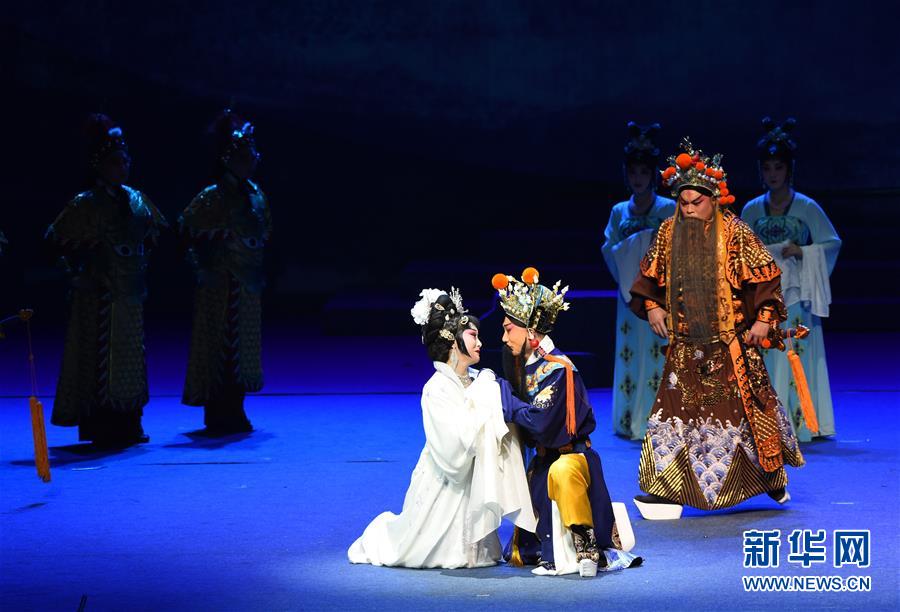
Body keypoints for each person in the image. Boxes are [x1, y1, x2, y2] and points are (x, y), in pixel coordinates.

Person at [629, 139, 804, 520]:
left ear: (714, 200)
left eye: (697, 202)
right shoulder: (668, 232)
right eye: (683, 203)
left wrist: (763, 319)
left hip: (730, 344)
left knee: (745, 416)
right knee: (672, 417)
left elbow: (766, 278)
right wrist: (653, 305)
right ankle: (666, 490)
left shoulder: (736, 233)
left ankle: (769, 478)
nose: (689, 210)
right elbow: (647, 278)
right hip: (684, 348)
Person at [349, 288, 535, 569]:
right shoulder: (436, 389)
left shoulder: (482, 380)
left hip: (475, 474)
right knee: (418, 549)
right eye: (473, 336)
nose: (480, 343)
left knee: (481, 557)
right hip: (446, 480)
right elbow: (451, 451)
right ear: (452, 341)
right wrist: (484, 409)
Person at [492, 268, 640, 577]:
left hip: (571, 458)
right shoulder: (526, 367)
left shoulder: (559, 369)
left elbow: (541, 423)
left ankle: (587, 546)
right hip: (543, 461)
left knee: (562, 471)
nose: (504, 338)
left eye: (509, 329)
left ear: (531, 332)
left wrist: (507, 399)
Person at [45, 113, 167, 447]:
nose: (123, 167)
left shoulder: (137, 199)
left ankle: (130, 422)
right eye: (116, 162)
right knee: (100, 357)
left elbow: (157, 233)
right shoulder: (86, 204)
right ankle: (102, 426)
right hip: (99, 294)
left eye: (126, 161)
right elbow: (55, 242)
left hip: (131, 294)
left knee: (131, 357)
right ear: (99, 165)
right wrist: (74, 275)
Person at [741, 118, 840, 440]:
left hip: (797, 295)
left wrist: (804, 251)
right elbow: (736, 250)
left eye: (779, 167)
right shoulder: (752, 209)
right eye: (767, 168)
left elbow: (831, 243)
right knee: (766, 354)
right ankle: (767, 421)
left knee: (797, 351)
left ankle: (803, 422)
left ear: (789, 170)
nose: (773, 174)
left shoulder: (807, 207)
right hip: (764, 297)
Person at [179, 109, 272, 434]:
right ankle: (219, 413)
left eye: (252, 156)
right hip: (220, 284)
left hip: (247, 285)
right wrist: (203, 267)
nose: (250, 162)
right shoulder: (213, 196)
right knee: (220, 348)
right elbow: (186, 232)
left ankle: (237, 408)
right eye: (243, 157)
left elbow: (264, 234)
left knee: (243, 350)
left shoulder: (256, 195)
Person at [602, 122, 676, 439]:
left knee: (659, 350)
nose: (638, 179)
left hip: (660, 294)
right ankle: (630, 418)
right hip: (630, 294)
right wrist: (632, 254)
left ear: (653, 175)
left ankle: (661, 419)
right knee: (631, 353)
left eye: (644, 173)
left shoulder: (669, 208)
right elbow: (610, 248)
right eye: (633, 173)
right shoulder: (619, 211)